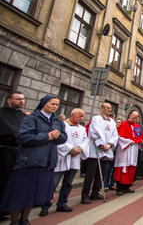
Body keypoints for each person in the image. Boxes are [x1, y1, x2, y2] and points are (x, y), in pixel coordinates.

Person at [0, 95, 67, 225]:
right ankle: (14, 221)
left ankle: (24, 219)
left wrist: (58, 136)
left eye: (57, 105)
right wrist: (46, 136)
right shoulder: (31, 118)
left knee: (34, 194)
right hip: (30, 160)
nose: (55, 107)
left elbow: (63, 137)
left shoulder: (57, 121)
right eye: (52, 104)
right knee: (21, 193)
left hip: (47, 161)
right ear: (44, 104)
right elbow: (23, 137)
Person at [40, 108, 89, 216]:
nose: (81, 118)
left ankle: (62, 203)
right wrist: (70, 149)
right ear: (72, 114)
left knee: (68, 183)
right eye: (79, 116)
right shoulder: (63, 125)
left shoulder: (82, 128)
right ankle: (45, 205)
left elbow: (86, 140)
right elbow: (58, 140)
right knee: (53, 183)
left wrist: (80, 148)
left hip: (74, 159)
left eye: (82, 116)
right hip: (62, 158)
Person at [81, 103, 118, 204]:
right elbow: (94, 133)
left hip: (107, 151)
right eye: (107, 108)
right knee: (90, 174)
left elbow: (115, 135)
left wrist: (109, 145)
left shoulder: (112, 122)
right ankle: (85, 195)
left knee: (100, 173)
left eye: (110, 108)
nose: (109, 109)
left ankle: (95, 192)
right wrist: (101, 145)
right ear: (102, 109)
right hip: (96, 151)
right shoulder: (97, 119)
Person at [0, 92, 26, 208]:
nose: (21, 101)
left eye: (23, 99)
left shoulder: (23, 116)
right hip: (4, 151)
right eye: (18, 99)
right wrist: (11, 134)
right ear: (9, 101)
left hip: (19, 151)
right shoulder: (2, 113)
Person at [114, 111, 143, 195]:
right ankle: (119, 188)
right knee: (122, 169)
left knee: (131, 169)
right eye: (134, 118)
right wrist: (128, 141)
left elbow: (140, 137)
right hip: (125, 150)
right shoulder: (123, 125)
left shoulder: (137, 126)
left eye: (136, 118)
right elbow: (119, 138)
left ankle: (127, 187)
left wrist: (141, 142)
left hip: (133, 150)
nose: (135, 120)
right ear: (130, 116)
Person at [104, 118, 122, 191]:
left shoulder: (121, 130)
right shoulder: (112, 131)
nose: (118, 123)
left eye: (119, 122)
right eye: (117, 122)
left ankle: (112, 183)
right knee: (108, 168)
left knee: (115, 169)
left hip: (118, 152)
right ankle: (105, 185)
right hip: (111, 151)